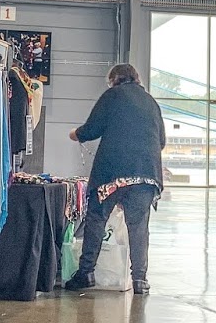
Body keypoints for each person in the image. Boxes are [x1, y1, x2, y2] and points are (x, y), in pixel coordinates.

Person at [65, 63, 166, 295]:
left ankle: (86, 273)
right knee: (138, 226)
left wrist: (75, 134)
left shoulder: (112, 96)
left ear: (114, 80)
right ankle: (139, 279)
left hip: (112, 174)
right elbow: (161, 141)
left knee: (96, 219)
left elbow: (92, 129)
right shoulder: (151, 102)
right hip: (146, 174)